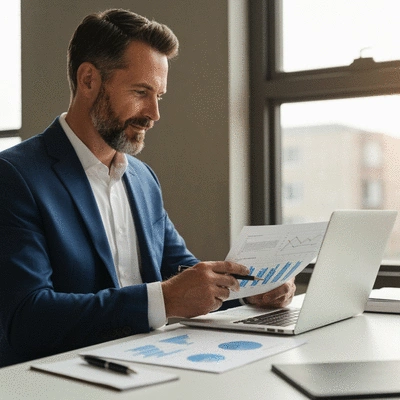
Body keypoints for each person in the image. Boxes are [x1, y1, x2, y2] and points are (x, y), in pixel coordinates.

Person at [0, 9, 295, 368]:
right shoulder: (15, 176)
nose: (154, 113)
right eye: (141, 92)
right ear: (89, 80)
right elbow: (26, 320)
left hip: (152, 367)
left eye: (159, 96)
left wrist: (250, 293)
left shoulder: (142, 178)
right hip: (60, 380)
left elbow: (182, 274)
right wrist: (165, 301)